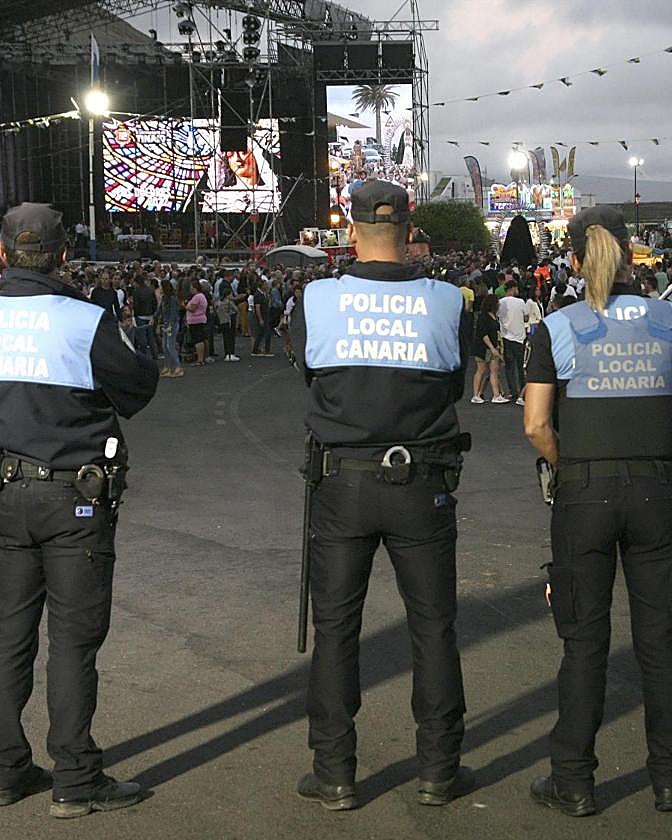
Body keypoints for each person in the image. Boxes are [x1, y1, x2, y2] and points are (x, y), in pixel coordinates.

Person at [0, 203, 158, 819]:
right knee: (73, 642)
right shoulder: (85, 320)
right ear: (65, 256)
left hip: (7, 495)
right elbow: (137, 389)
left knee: (9, 633)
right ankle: (76, 778)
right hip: (74, 496)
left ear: (0, 255)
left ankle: (7, 770)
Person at [289, 180, 475, 811]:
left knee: (337, 630)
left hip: (343, 481)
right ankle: (439, 770)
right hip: (422, 481)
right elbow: (454, 384)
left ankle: (336, 771)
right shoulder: (447, 301)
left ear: (350, 228)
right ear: (409, 230)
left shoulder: (318, 298)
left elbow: (312, 375)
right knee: (433, 627)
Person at [523, 205, 672, 817]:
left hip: (584, 493)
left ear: (575, 262)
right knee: (663, 641)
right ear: (631, 257)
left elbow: (536, 423)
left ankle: (574, 781)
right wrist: (658, 453)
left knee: (584, 644)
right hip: (657, 490)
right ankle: (671, 780)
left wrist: (567, 463)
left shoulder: (557, 326)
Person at [471, 294, 506, 404]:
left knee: (494, 370)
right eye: (497, 302)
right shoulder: (483, 317)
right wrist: (492, 348)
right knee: (481, 370)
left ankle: (496, 395)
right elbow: (483, 334)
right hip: (483, 347)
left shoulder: (494, 316)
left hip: (493, 346)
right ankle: (476, 395)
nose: (499, 304)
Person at [497, 280, 528, 404]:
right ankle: (522, 392)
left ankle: (513, 392)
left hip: (506, 336)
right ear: (514, 289)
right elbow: (526, 317)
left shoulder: (500, 302)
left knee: (509, 367)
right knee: (521, 367)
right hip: (519, 337)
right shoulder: (520, 302)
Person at [157, 277, 183, 378]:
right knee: (165, 346)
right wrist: (155, 318)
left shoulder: (172, 299)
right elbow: (160, 309)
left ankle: (177, 366)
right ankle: (167, 367)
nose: (160, 288)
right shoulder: (164, 298)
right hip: (165, 323)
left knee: (170, 345)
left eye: (161, 287)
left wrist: (170, 325)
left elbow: (173, 313)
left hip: (171, 324)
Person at [185, 280, 209, 367]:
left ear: (195, 288)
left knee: (198, 340)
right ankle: (204, 357)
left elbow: (192, 309)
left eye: (192, 288)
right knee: (202, 338)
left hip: (195, 320)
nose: (191, 290)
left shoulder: (197, 297)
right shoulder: (202, 296)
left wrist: (185, 306)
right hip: (201, 319)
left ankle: (200, 359)